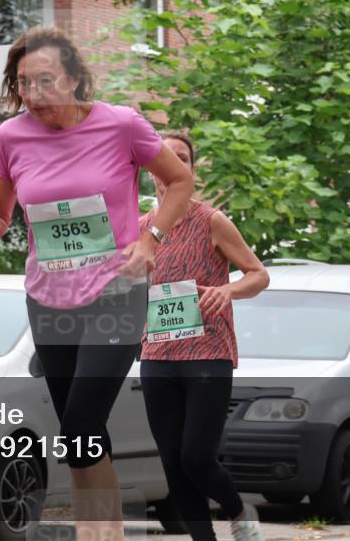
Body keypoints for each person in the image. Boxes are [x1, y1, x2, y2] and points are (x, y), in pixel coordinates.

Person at [0, 27, 194, 541]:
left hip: (117, 289)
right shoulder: (11, 137)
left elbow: (180, 182)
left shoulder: (121, 126)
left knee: (82, 416)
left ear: (74, 79)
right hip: (48, 299)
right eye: (24, 83)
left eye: (46, 80)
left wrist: (152, 239)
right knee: (78, 433)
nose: (34, 94)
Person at [139, 131, 270, 541]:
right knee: (173, 464)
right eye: (166, 157)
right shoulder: (141, 229)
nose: (173, 164)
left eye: (183, 158)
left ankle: (237, 510)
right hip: (157, 355)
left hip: (207, 353)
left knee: (196, 457)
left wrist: (226, 290)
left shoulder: (210, 220)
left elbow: (259, 274)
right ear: (152, 170)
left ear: (191, 172)